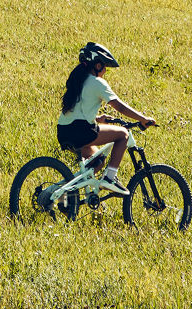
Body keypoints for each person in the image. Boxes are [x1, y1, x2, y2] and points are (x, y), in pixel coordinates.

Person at [45, 42, 157, 207]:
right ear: (97, 65)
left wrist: (97, 119)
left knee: (96, 162)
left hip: (64, 131)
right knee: (123, 135)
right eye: (104, 67)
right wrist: (142, 118)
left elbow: (78, 110)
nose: (105, 71)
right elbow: (119, 106)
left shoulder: (78, 81)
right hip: (81, 131)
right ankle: (109, 178)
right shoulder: (97, 82)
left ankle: (64, 198)